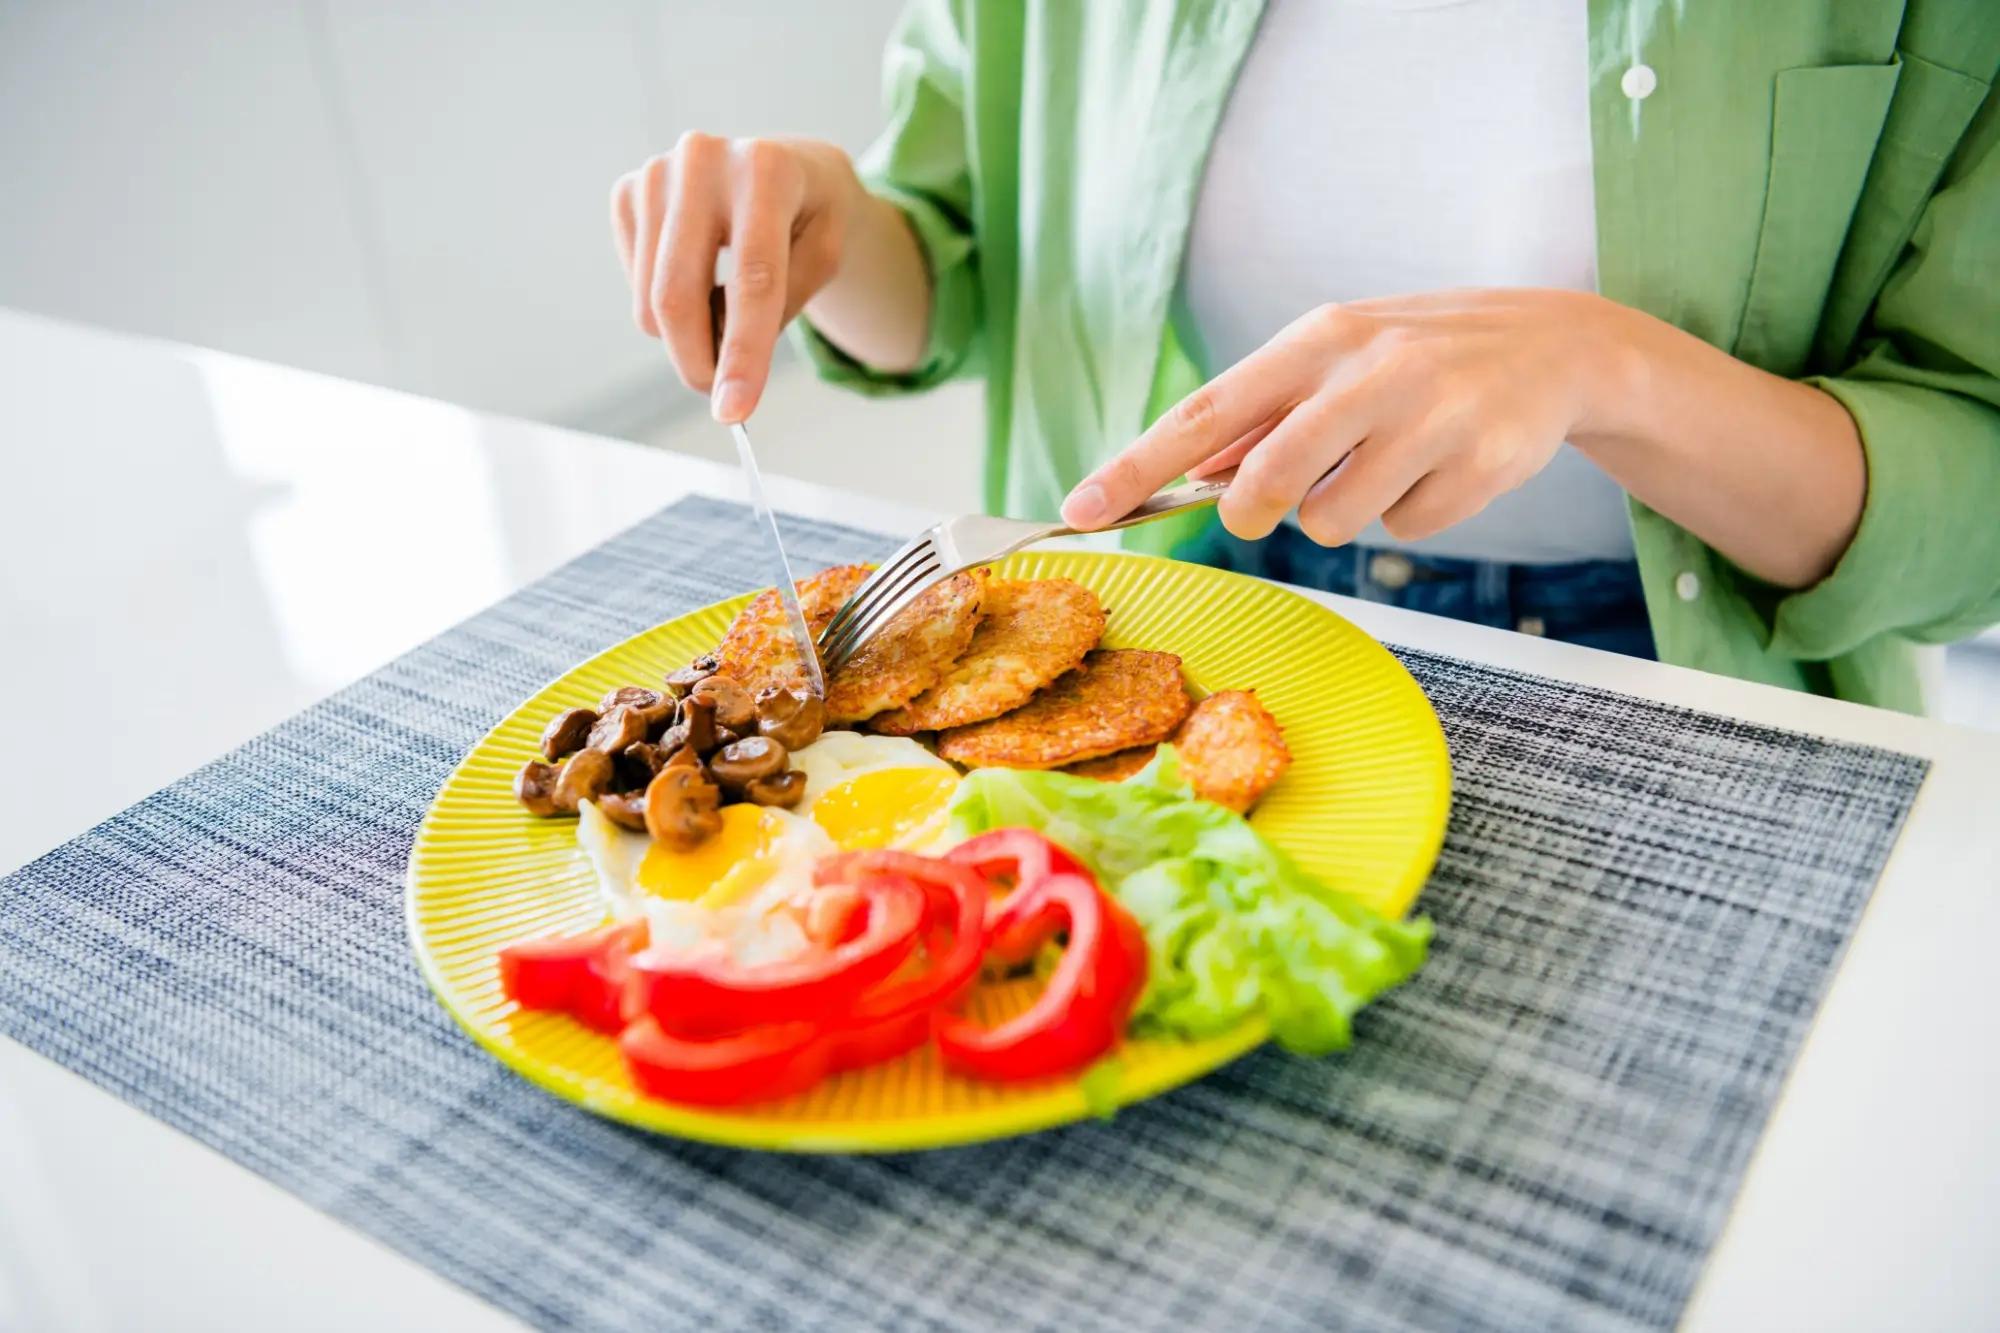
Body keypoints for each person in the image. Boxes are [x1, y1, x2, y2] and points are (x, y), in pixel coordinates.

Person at [610, 0, 1999, 714]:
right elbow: (966, 253)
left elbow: (1973, 484)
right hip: (1157, 621)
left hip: (1681, 675)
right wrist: (835, 227)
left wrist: (1610, 371)